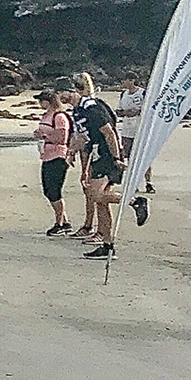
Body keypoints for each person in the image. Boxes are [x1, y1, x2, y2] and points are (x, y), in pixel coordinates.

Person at [76, 86, 124, 258]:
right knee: (100, 201)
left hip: (107, 156)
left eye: (62, 93)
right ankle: (107, 245)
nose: (60, 97)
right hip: (97, 157)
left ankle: (134, 201)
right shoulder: (79, 111)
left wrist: (116, 158)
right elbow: (84, 139)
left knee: (96, 195)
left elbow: (109, 132)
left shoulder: (92, 108)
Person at [33, 88, 72, 236]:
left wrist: (44, 137)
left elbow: (62, 137)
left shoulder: (59, 116)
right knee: (48, 190)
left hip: (58, 156)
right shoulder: (46, 116)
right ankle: (64, 220)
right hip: (47, 155)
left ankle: (59, 222)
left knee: (54, 190)